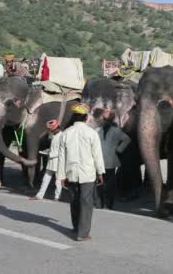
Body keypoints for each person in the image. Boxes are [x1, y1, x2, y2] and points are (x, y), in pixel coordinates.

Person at [57, 103, 105, 242]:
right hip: (88, 174)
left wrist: (61, 176)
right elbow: (97, 155)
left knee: (74, 200)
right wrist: (100, 172)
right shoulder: (92, 133)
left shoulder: (65, 133)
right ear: (86, 117)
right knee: (86, 202)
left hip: (71, 173)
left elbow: (62, 157)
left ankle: (76, 227)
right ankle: (82, 234)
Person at [96, 109, 130, 210]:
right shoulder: (98, 130)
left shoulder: (116, 131)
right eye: (104, 118)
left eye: (106, 119)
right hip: (99, 161)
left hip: (111, 161)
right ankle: (100, 203)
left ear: (111, 120)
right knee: (99, 183)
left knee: (110, 185)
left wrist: (119, 150)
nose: (105, 120)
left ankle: (108, 204)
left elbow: (127, 139)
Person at [31, 119, 63, 201]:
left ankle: (57, 197)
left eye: (51, 129)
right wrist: (48, 151)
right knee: (45, 179)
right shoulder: (54, 136)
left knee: (58, 181)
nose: (50, 131)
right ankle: (39, 195)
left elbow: (62, 151)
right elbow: (53, 148)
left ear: (56, 128)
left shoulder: (62, 136)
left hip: (58, 162)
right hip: (51, 162)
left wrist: (50, 154)